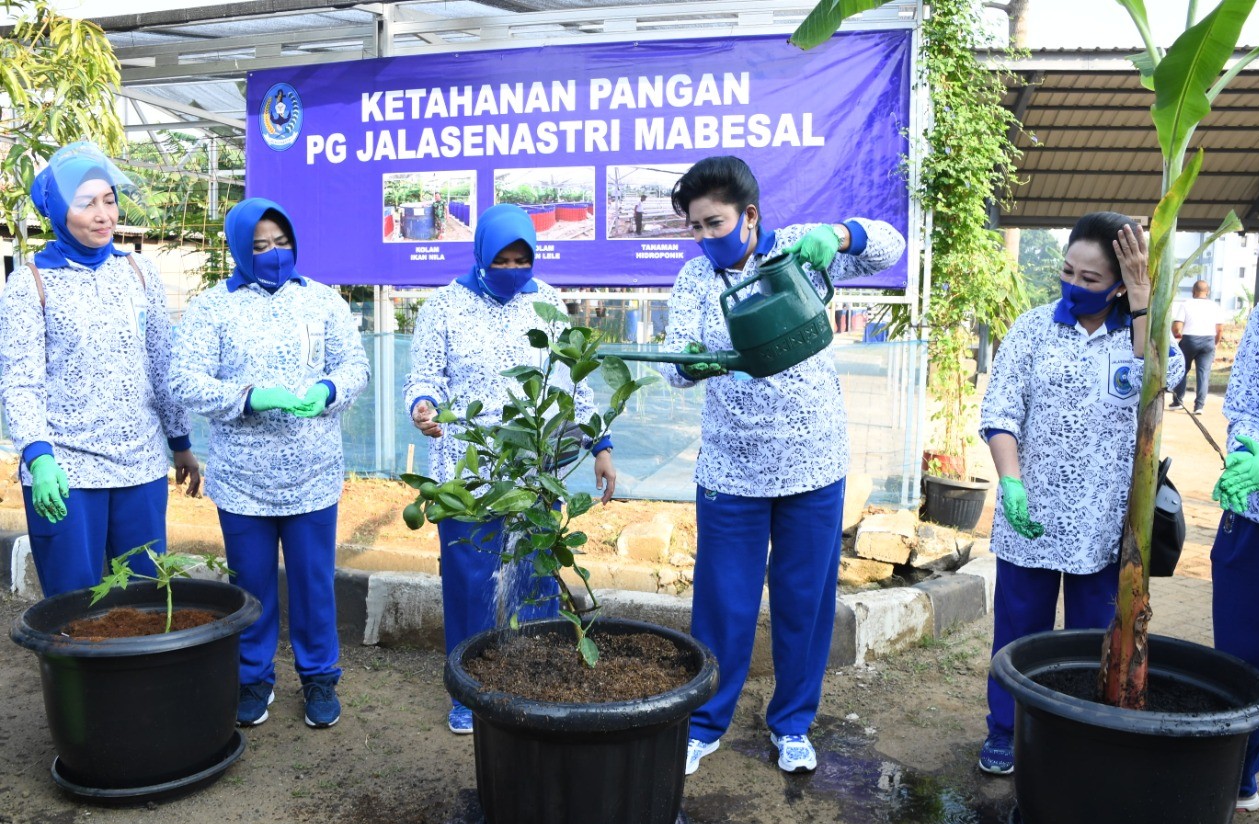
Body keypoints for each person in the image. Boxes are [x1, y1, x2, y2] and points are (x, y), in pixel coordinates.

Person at [657, 155, 904, 776]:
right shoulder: (693, 281)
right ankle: (706, 722)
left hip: (812, 467)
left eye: (715, 224)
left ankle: (792, 724)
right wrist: (692, 362)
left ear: (751, 215)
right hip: (732, 470)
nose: (705, 238)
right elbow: (674, 365)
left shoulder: (799, 251)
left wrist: (840, 235)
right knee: (724, 603)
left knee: (804, 601)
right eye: (695, 227)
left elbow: (891, 247)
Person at [978, 211, 1185, 775]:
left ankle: (1076, 735)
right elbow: (1000, 414)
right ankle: (1006, 730)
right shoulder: (1032, 329)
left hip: (1104, 526)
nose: (1074, 285)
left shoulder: (1138, 333)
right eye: (1068, 271)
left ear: (1121, 283)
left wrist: (1144, 300)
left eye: (1091, 280)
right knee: (1018, 632)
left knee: (1093, 641)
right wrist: (1012, 483)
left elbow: (1165, 382)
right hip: (1032, 520)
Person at [403, 203, 618, 736]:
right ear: (481, 254)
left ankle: (532, 677)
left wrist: (601, 445)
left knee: (535, 574)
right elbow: (423, 378)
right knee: (470, 578)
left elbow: (576, 385)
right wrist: (424, 408)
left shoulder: (545, 302)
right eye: (503, 258)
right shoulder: (444, 307)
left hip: (532, 467)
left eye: (524, 257)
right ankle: (469, 690)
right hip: (467, 467)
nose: (514, 267)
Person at [169, 198, 369, 729]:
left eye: (281, 243)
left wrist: (329, 388)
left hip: (312, 474)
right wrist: (250, 396)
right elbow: (184, 380)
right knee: (250, 584)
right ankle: (254, 679)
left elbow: (355, 366)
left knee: (313, 582)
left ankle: (320, 677)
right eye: (259, 246)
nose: (273, 253)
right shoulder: (213, 307)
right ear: (238, 248)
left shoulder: (323, 302)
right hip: (243, 481)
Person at [0, 140, 200, 598]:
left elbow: (160, 362)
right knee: (76, 603)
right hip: (68, 471)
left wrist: (180, 443)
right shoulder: (29, 283)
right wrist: (39, 455)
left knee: (146, 597)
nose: (103, 214)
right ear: (57, 210)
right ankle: (75, 674)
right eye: (86, 203)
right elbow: (20, 380)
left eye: (109, 200)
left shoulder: (140, 272)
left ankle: (140, 674)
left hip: (140, 464)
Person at [1208, 297, 1259, 814]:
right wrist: (1244, 451)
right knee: (1242, 659)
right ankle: (1238, 777)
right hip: (1257, 522)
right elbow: (1245, 404)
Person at [1170, 279, 1224, 415]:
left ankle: (1178, 402)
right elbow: (1220, 329)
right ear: (1208, 292)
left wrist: (1178, 335)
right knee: (1203, 374)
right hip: (1208, 341)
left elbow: (1177, 327)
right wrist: (1215, 343)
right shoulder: (1215, 306)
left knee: (1182, 370)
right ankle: (1199, 406)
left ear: (1193, 291)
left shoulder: (1186, 304)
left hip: (1189, 340)